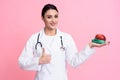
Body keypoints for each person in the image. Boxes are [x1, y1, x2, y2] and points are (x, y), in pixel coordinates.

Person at [18, 4, 110, 80]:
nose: (53, 20)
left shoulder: (66, 38)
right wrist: (39, 60)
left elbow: (74, 61)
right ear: (42, 18)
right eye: (49, 17)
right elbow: (22, 62)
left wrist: (90, 46)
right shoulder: (34, 38)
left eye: (56, 16)